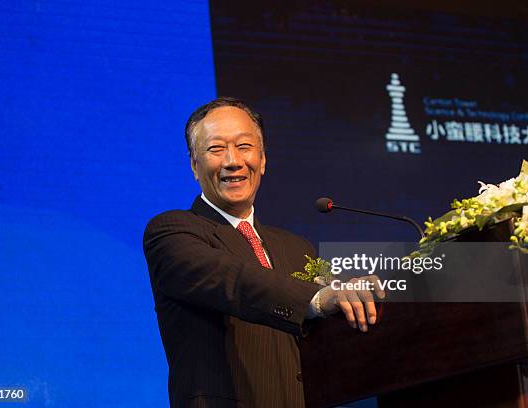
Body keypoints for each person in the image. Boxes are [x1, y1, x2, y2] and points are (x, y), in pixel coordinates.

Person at [143, 97, 383, 408]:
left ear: (263, 159)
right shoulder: (173, 232)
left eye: (244, 146)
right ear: (194, 165)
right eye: (216, 149)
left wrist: (354, 298)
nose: (233, 161)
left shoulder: (297, 248)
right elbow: (234, 280)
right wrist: (318, 298)